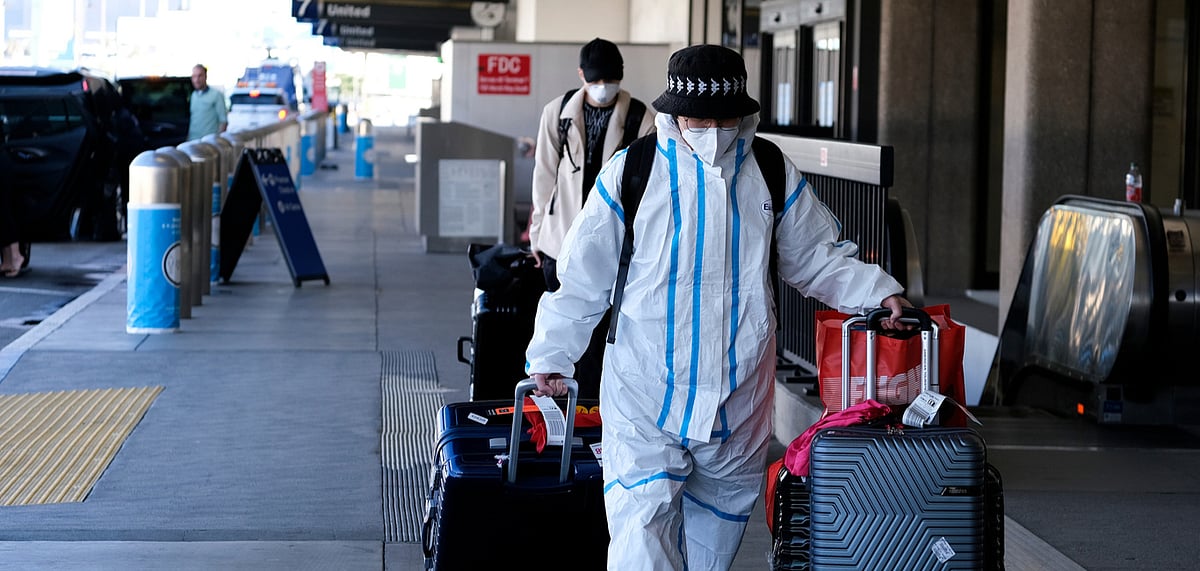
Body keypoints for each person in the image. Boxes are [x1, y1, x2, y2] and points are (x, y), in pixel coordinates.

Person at [524, 44, 912, 570]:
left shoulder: (769, 171)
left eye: (721, 118)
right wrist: (550, 356)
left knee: (712, 556)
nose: (710, 128)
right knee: (641, 542)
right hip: (644, 393)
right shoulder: (634, 172)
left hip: (738, 403)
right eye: (696, 117)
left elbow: (816, 256)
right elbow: (581, 280)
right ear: (672, 112)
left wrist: (876, 291)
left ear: (742, 114)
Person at [527, 37, 655, 399]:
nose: (604, 87)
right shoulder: (558, 113)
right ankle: (561, 412)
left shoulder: (641, 118)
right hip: (559, 238)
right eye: (597, 79)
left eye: (611, 79)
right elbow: (543, 177)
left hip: (614, 247)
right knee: (562, 324)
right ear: (582, 75)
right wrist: (537, 235)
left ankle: (594, 411)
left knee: (603, 337)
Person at [187, 64, 227, 140]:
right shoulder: (193, 95)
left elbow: (223, 121)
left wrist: (218, 142)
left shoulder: (216, 95)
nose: (196, 80)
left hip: (208, 144)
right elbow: (193, 120)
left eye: (200, 76)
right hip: (192, 141)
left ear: (206, 76)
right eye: (194, 76)